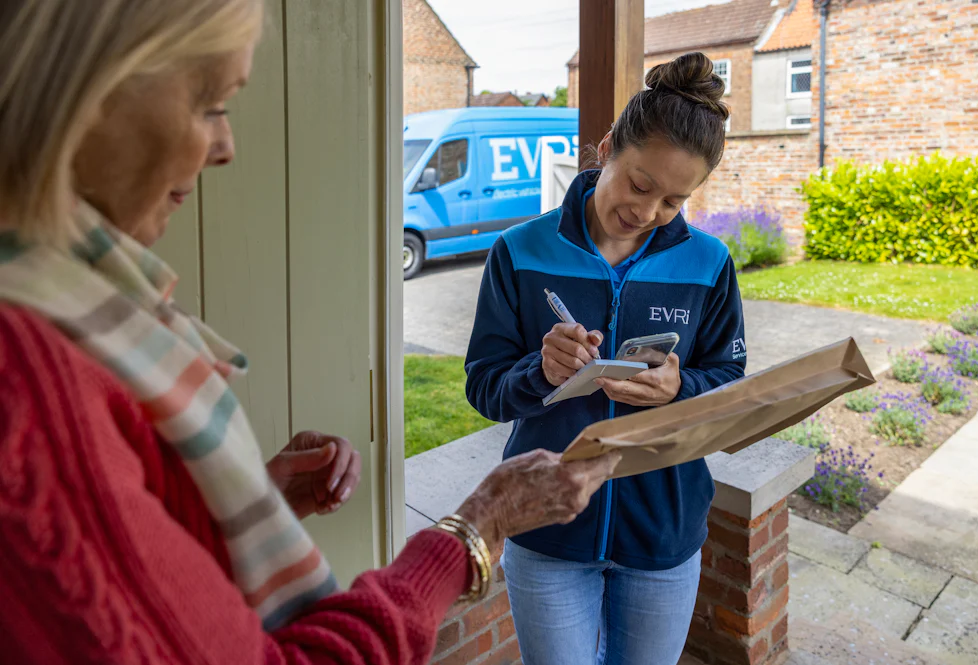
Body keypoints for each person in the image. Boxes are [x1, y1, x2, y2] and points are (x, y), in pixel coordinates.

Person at [0, 2, 621, 663]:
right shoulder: (29, 382)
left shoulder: (57, 297)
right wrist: (476, 527)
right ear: (80, 92)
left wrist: (250, 498)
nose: (225, 146)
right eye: (211, 104)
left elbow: (131, 557)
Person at [465, 53, 747, 665]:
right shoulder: (518, 251)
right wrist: (538, 371)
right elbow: (483, 387)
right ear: (608, 147)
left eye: (673, 201)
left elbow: (727, 382)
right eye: (640, 185)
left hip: (664, 532)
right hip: (547, 530)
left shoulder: (709, 263)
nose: (647, 213)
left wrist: (681, 387)